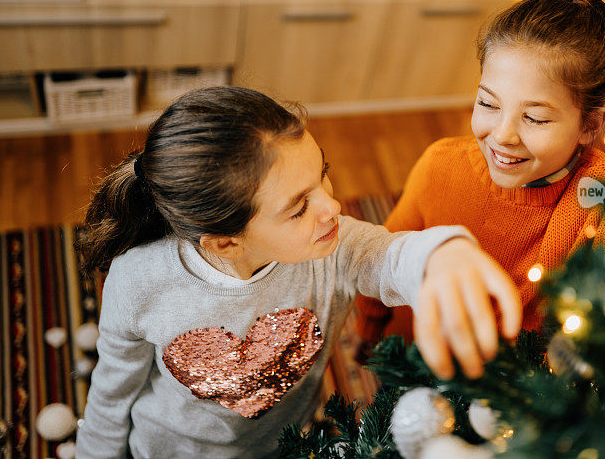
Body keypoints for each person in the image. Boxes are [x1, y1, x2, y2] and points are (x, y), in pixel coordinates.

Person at [74, 87, 521, 458]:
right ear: (227, 243)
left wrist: (442, 253)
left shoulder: (332, 244)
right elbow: (111, 396)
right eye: (298, 208)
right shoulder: (137, 282)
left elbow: (386, 255)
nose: (332, 207)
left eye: (321, 176)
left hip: (292, 444)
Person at [354, 0, 605, 354]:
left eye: (535, 118)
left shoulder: (599, 194)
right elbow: (385, 257)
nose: (502, 135)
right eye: (488, 103)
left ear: (590, 126)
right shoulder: (440, 165)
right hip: (412, 353)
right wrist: (369, 333)